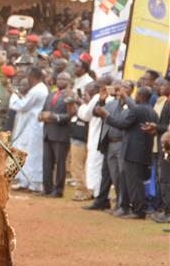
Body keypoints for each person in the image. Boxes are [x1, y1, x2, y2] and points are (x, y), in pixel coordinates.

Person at [95, 85, 159, 218]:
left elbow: (122, 124)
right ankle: (131, 208)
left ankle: (138, 211)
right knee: (133, 181)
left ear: (140, 96)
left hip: (133, 151)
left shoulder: (137, 110)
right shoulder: (152, 110)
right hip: (143, 150)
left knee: (134, 183)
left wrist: (107, 116)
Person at [83, 79, 126, 212]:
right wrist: (101, 101)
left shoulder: (128, 105)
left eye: (120, 88)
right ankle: (101, 201)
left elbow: (121, 123)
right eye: (115, 88)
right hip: (108, 142)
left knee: (118, 175)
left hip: (120, 143)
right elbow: (96, 113)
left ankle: (121, 204)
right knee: (105, 173)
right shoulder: (111, 103)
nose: (116, 91)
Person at [9, 67, 48, 193]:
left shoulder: (37, 90)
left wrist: (13, 94)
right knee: (26, 152)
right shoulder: (39, 89)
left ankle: (34, 184)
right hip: (30, 126)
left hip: (34, 126)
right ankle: (25, 181)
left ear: (32, 76)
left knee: (33, 155)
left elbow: (22, 105)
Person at [39, 72, 74, 197]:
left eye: (64, 79)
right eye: (59, 78)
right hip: (47, 132)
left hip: (61, 134)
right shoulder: (51, 94)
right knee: (46, 162)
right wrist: (41, 115)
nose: (60, 80)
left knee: (60, 164)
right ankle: (47, 188)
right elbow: (44, 110)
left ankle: (58, 190)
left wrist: (55, 117)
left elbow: (71, 115)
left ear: (69, 81)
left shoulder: (70, 96)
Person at [148, 79, 170, 222]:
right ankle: (166, 210)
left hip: (167, 144)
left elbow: (167, 127)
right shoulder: (166, 102)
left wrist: (157, 128)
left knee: (166, 179)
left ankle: (167, 212)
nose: (161, 87)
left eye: (164, 84)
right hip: (163, 143)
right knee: (162, 179)